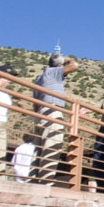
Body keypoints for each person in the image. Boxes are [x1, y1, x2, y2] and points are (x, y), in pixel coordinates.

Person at [33, 53, 78, 184]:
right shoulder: (54, 72)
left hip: (40, 113)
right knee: (52, 146)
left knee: (39, 149)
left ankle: (35, 181)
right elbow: (74, 65)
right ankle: (45, 183)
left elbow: (35, 102)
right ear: (60, 65)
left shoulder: (40, 77)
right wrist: (67, 59)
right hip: (53, 111)